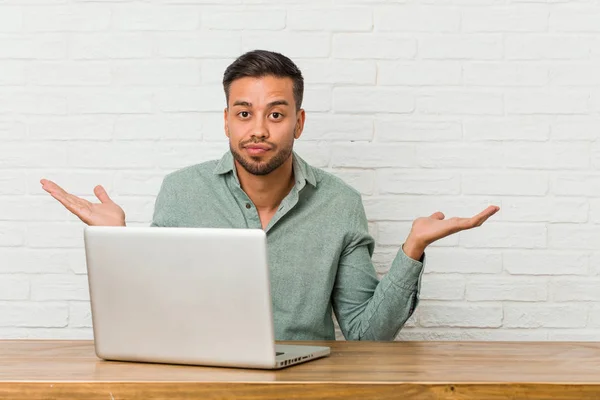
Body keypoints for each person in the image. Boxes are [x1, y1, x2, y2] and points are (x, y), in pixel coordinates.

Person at [41, 50, 499, 341]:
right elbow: (151, 320)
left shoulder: (340, 203)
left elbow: (365, 335)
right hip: (200, 384)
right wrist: (117, 242)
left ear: (298, 123)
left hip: (306, 386)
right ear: (226, 121)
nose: (258, 128)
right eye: (245, 113)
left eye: (276, 114)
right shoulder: (181, 191)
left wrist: (412, 250)